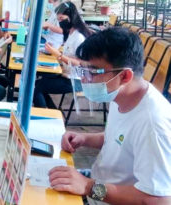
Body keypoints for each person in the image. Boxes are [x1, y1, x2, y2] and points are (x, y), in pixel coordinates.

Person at [48, 27, 171, 205]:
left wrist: (89, 187)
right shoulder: (122, 96)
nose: (84, 80)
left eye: (92, 72)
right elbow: (120, 138)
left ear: (125, 76)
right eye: (83, 70)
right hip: (99, 187)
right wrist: (85, 138)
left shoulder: (154, 125)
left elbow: (157, 200)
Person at [33, 2, 92, 108]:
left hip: (76, 79)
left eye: (61, 19)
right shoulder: (70, 34)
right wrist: (55, 54)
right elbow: (69, 56)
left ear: (71, 16)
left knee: (38, 88)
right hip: (67, 74)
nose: (60, 22)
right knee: (39, 83)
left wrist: (58, 55)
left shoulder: (79, 37)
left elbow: (80, 63)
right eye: (58, 20)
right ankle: (52, 114)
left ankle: (49, 118)